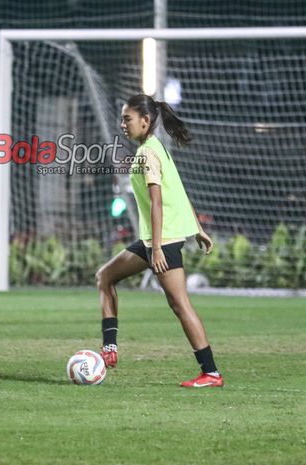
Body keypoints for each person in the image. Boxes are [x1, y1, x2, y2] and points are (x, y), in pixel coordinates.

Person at [95, 94, 223, 388]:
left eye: (128, 119)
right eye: (123, 118)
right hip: (154, 238)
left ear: (146, 120)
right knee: (105, 276)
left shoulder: (149, 153)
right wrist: (197, 228)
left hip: (160, 240)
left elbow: (157, 201)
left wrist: (155, 249)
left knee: (180, 305)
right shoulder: (155, 148)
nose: (123, 124)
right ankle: (110, 350)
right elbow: (178, 189)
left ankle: (211, 373)